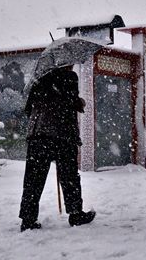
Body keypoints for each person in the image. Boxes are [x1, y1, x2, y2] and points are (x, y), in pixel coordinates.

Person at [18, 67, 96, 232]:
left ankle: (28, 219)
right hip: (62, 135)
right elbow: (69, 101)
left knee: (33, 179)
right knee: (69, 176)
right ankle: (75, 213)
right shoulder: (69, 76)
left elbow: (27, 109)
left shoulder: (38, 80)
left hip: (37, 134)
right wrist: (79, 102)